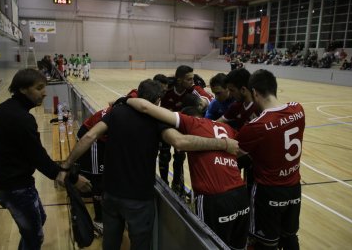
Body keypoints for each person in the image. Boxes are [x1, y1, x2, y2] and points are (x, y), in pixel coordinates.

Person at [62, 79, 235, 250]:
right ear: (157, 101)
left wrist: (66, 165)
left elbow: (88, 137)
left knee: (110, 242)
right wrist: (223, 144)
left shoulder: (116, 112)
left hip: (110, 193)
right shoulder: (157, 121)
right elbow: (181, 142)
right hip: (139, 199)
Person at [126, 96, 249, 249]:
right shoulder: (228, 129)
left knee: (209, 245)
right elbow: (245, 153)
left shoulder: (191, 122)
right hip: (241, 195)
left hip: (214, 198)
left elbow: (144, 107)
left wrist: (126, 100)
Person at [0, 68, 91, 250]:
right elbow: (39, 158)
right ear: (22, 89)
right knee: (34, 237)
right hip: (15, 189)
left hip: (2, 183)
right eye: (39, 88)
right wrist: (72, 179)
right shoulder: (21, 118)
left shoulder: (4, 109)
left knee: (39, 220)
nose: (45, 93)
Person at [236, 69, 305, 250]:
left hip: (268, 192)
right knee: (290, 237)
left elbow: (237, 152)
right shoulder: (298, 110)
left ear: (255, 93)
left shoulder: (256, 126)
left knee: (265, 244)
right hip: (294, 189)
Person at [160, 65, 214, 196]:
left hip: (181, 126)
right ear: (179, 80)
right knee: (164, 156)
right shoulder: (167, 88)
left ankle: (177, 186)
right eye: (189, 79)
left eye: (193, 79)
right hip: (165, 126)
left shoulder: (193, 89)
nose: (192, 82)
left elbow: (208, 99)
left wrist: (200, 103)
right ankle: (163, 183)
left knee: (179, 157)